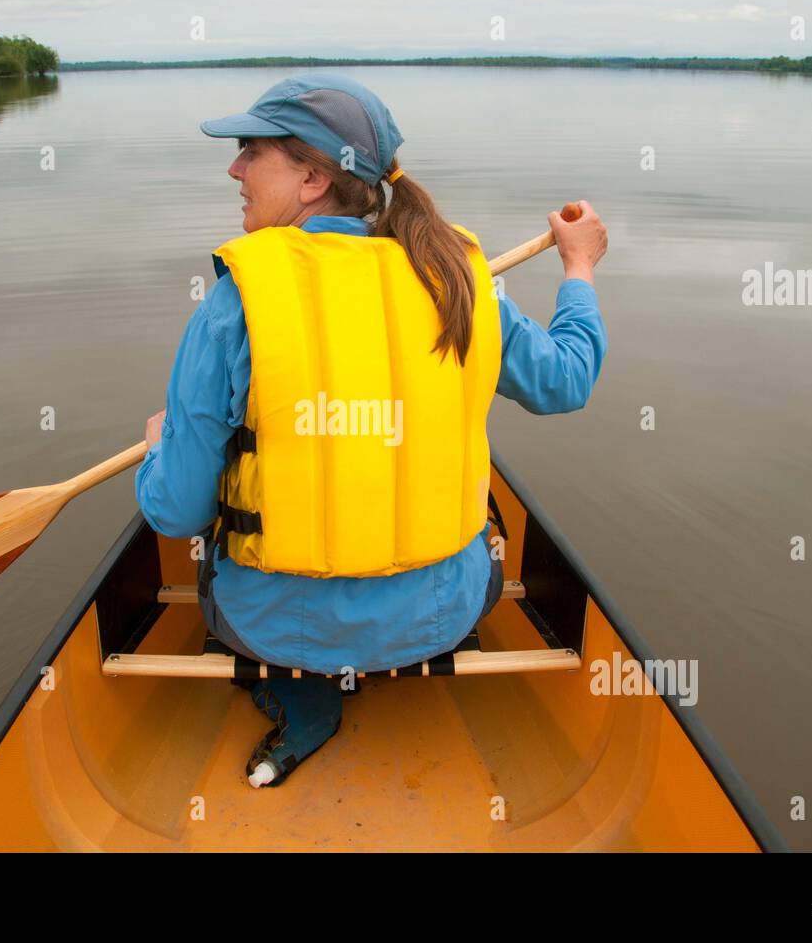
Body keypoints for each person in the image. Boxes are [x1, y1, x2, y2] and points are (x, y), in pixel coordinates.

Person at [135, 72, 608, 788]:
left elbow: (175, 511)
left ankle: (304, 699)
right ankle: (399, 640)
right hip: (450, 610)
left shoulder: (236, 301)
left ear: (313, 178)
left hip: (274, 627)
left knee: (211, 545)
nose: (233, 169)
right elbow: (567, 380)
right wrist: (578, 267)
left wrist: (159, 448)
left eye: (249, 151)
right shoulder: (458, 276)